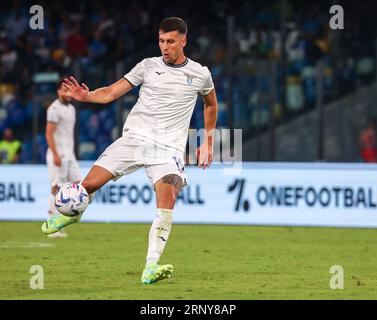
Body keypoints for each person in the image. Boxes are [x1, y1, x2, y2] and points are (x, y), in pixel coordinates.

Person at [41, 17, 218, 284]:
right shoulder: (148, 66)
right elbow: (111, 92)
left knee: (167, 201)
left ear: (184, 41)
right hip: (134, 139)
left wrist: (207, 141)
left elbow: (211, 105)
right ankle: (73, 215)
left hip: (168, 150)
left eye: (170, 41)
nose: (165, 47)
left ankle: (150, 266)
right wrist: (86, 96)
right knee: (87, 185)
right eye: (161, 41)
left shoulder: (200, 74)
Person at [45, 79, 82, 238]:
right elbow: (49, 133)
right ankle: (51, 222)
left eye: (69, 91)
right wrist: (55, 154)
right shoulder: (54, 109)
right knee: (56, 187)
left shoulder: (72, 109)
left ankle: (68, 216)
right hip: (58, 153)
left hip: (70, 154)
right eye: (64, 90)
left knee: (79, 184)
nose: (68, 93)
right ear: (59, 91)